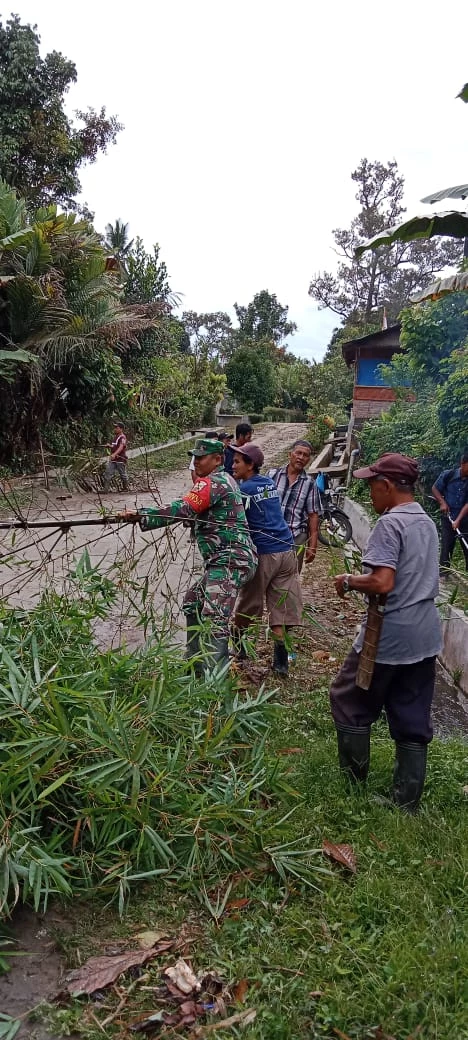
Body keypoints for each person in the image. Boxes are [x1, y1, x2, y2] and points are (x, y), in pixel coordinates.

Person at [328, 453, 442, 813]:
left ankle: (351, 785)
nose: (370, 493)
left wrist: (347, 580)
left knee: (348, 699)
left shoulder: (390, 524)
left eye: (371, 486)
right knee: (410, 710)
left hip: (389, 634)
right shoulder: (426, 522)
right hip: (425, 635)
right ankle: (406, 802)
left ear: (387, 486)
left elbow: (382, 582)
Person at [119, 438, 256, 672]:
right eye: (194, 457)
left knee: (215, 621)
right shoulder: (225, 480)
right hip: (228, 560)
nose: (196, 462)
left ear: (217, 460)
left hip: (230, 560)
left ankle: (214, 686)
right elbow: (198, 513)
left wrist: (142, 515)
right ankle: (195, 666)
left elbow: (183, 508)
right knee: (193, 602)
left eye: (201, 458)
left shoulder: (212, 483)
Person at [232, 443, 303, 677]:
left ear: (250, 465)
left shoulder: (245, 490)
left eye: (237, 462)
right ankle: (281, 660)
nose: (233, 466)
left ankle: (239, 646)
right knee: (280, 605)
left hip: (265, 553)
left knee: (249, 603)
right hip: (287, 549)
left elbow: (234, 519)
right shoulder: (268, 484)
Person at [268, 440, 320, 572]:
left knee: (289, 582)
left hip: (295, 537)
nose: (301, 457)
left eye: (306, 455)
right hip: (269, 536)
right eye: (298, 453)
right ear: (290, 454)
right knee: (265, 577)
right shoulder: (272, 475)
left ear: (308, 459)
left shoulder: (310, 483)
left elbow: (313, 515)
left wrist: (312, 545)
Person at [431, 452, 468, 572]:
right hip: (448, 517)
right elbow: (435, 488)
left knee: (466, 545)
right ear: (462, 464)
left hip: (465, 519)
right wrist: (442, 502)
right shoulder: (448, 475)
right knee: (447, 545)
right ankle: (443, 575)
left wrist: (458, 520)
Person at [103, 422, 129, 492]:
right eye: (115, 428)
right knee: (108, 472)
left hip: (120, 459)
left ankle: (125, 488)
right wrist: (109, 446)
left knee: (123, 474)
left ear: (121, 429)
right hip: (114, 459)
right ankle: (105, 489)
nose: (115, 429)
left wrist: (114, 454)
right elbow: (115, 446)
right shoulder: (115, 437)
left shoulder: (122, 437)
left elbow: (121, 447)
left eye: (117, 428)